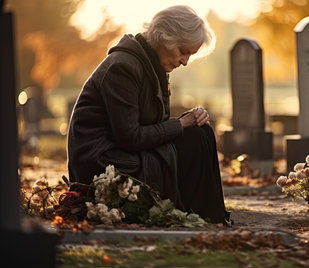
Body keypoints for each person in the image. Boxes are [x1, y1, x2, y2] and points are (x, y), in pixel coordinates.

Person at [67, 5, 230, 225]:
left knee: (200, 132)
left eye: (190, 55)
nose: (185, 61)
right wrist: (181, 125)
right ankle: (202, 214)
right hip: (106, 166)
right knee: (193, 136)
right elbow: (131, 137)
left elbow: (155, 126)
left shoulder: (150, 65)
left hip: (126, 153)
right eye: (183, 51)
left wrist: (189, 120)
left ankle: (206, 214)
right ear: (165, 38)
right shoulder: (123, 67)